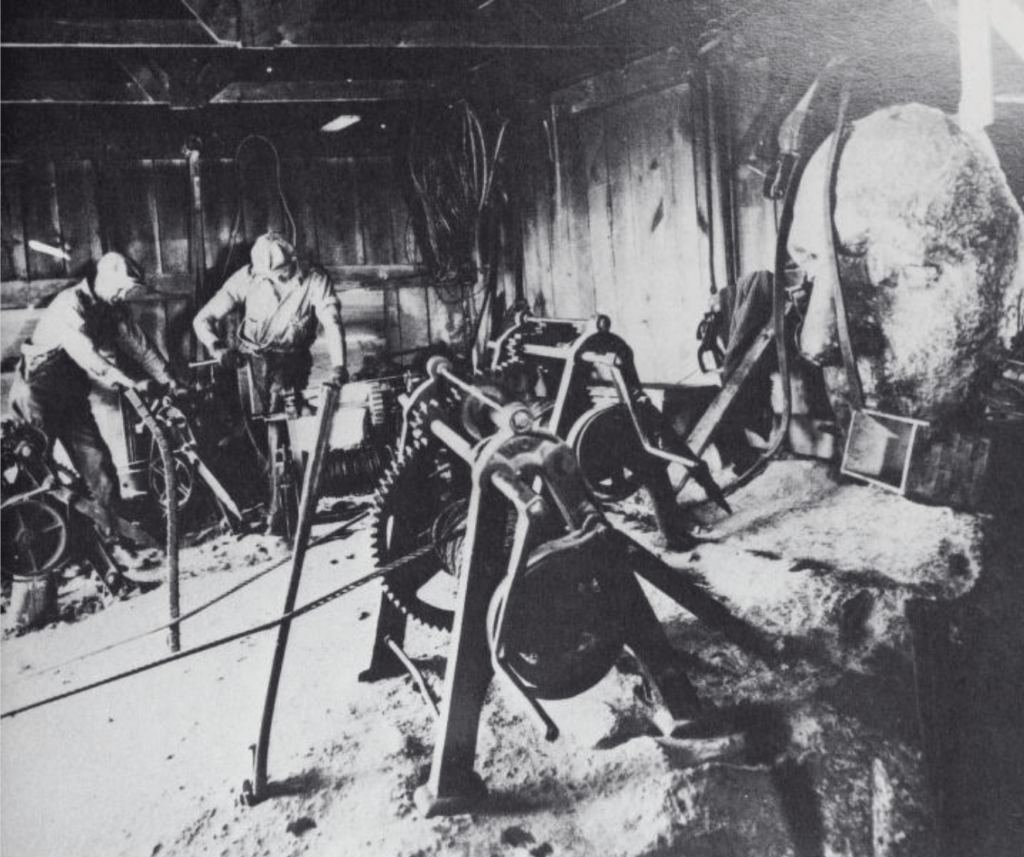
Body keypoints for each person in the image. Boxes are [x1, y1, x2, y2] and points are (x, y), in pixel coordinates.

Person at [8, 251, 184, 577]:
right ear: (104, 280)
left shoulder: (110, 307)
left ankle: (114, 543)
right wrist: (128, 381)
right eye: (121, 290)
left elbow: (139, 346)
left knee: (100, 468)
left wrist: (169, 379)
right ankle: (39, 561)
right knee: (39, 479)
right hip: (37, 396)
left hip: (72, 399)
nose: (123, 297)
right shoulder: (69, 305)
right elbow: (86, 355)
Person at [192, 232, 347, 536]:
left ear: (293, 262)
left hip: (290, 361)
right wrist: (217, 348)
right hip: (249, 363)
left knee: (283, 428)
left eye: (280, 274)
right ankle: (279, 502)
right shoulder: (247, 278)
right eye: (268, 277)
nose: (275, 280)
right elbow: (203, 319)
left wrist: (340, 366)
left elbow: (331, 322)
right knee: (259, 436)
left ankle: (284, 512)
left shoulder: (315, 279)